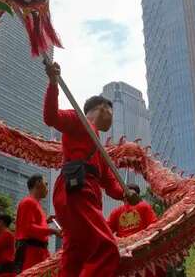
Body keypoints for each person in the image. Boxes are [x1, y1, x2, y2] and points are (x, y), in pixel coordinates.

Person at [43, 61, 139, 277]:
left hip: (81, 194)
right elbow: (51, 117)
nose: (111, 120)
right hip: (78, 190)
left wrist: (125, 193)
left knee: (75, 257)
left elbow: (109, 183)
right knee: (106, 248)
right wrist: (52, 83)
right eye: (110, 114)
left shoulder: (99, 147)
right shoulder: (79, 120)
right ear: (103, 109)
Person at [108, 183, 165, 277]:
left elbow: (106, 231)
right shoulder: (117, 212)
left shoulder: (143, 207)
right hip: (136, 252)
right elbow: (154, 226)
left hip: (134, 252)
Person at [14, 174, 60, 271]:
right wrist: (53, 231)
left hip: (38, 251)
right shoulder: (28, 202)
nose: (47, 188)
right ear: (38, 183)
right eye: (46, 184)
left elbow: (32, 226)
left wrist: (46, 221)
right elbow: (28, 228)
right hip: (31, 251)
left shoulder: (35, 204)